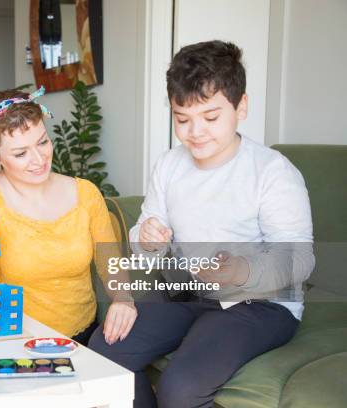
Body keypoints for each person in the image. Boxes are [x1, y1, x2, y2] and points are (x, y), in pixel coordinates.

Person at [88, 41, 315, 407]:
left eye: (210, 117)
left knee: (182, 387)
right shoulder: (169, 165)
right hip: (186, 290)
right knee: (104, 353)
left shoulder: (273, 172)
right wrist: (147, 239)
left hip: (259, 304)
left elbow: (299, 260)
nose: (195, 132)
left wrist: (241, 270)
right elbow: (146, 245)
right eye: (182, 119)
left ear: (241, 106)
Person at [0, 87, 136, 345]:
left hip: (81, 337)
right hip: (15, 337)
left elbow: (111, 263)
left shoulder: (86, 193)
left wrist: (124, 299)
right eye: (20, 153)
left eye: (42, 142)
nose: (39, 160)